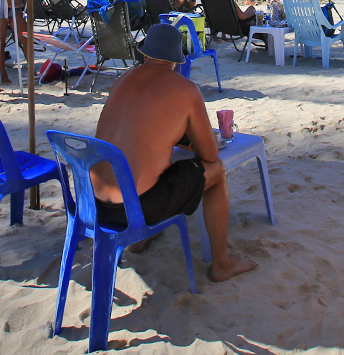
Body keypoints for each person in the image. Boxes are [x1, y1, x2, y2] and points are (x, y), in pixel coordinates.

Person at [92, 24, 257, 282]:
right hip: (136, 209)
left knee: (157, 169)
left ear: (145, 53)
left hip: (94, 205)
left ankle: (139, 242)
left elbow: (136, 132)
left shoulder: (121, 80)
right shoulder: (185, 89)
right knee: (217, 172)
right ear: (176, 59)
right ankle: (222, 264)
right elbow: (210, 155)